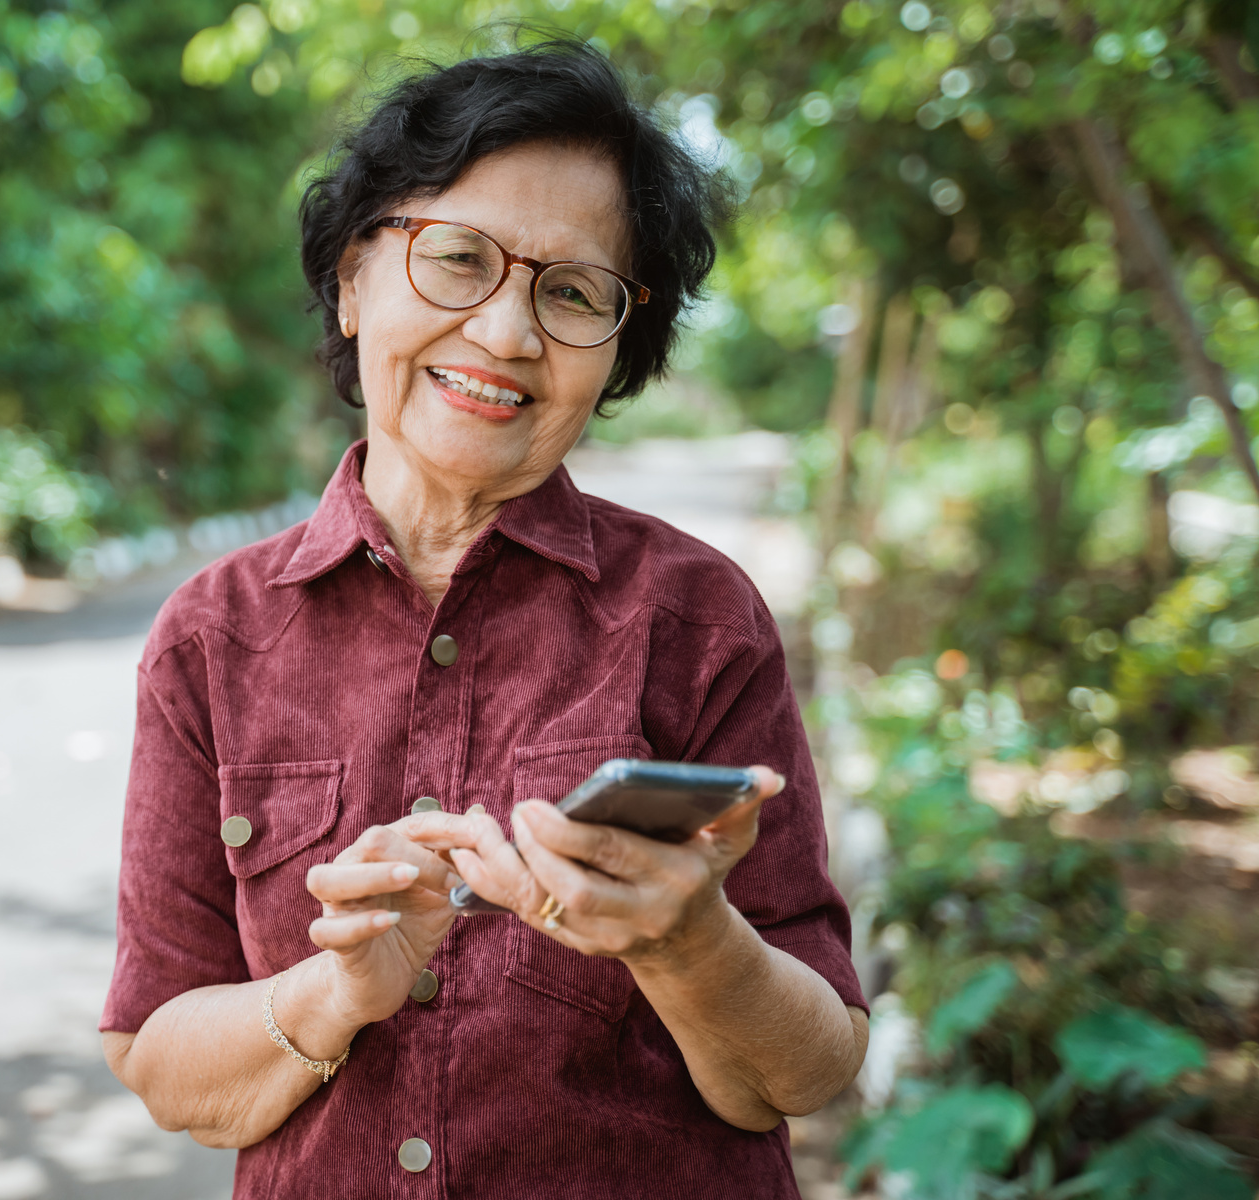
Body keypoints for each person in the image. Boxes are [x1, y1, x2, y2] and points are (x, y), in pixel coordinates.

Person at [101, 40, 868, 1198]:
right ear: (354, 282)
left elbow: (805, 1073)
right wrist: (336, 990)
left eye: (570, 293)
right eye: (458, 259)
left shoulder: (699, 617)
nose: (508, 335)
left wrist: (685, 941)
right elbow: (160, 1063)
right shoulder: (213, 637)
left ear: (617, 352)